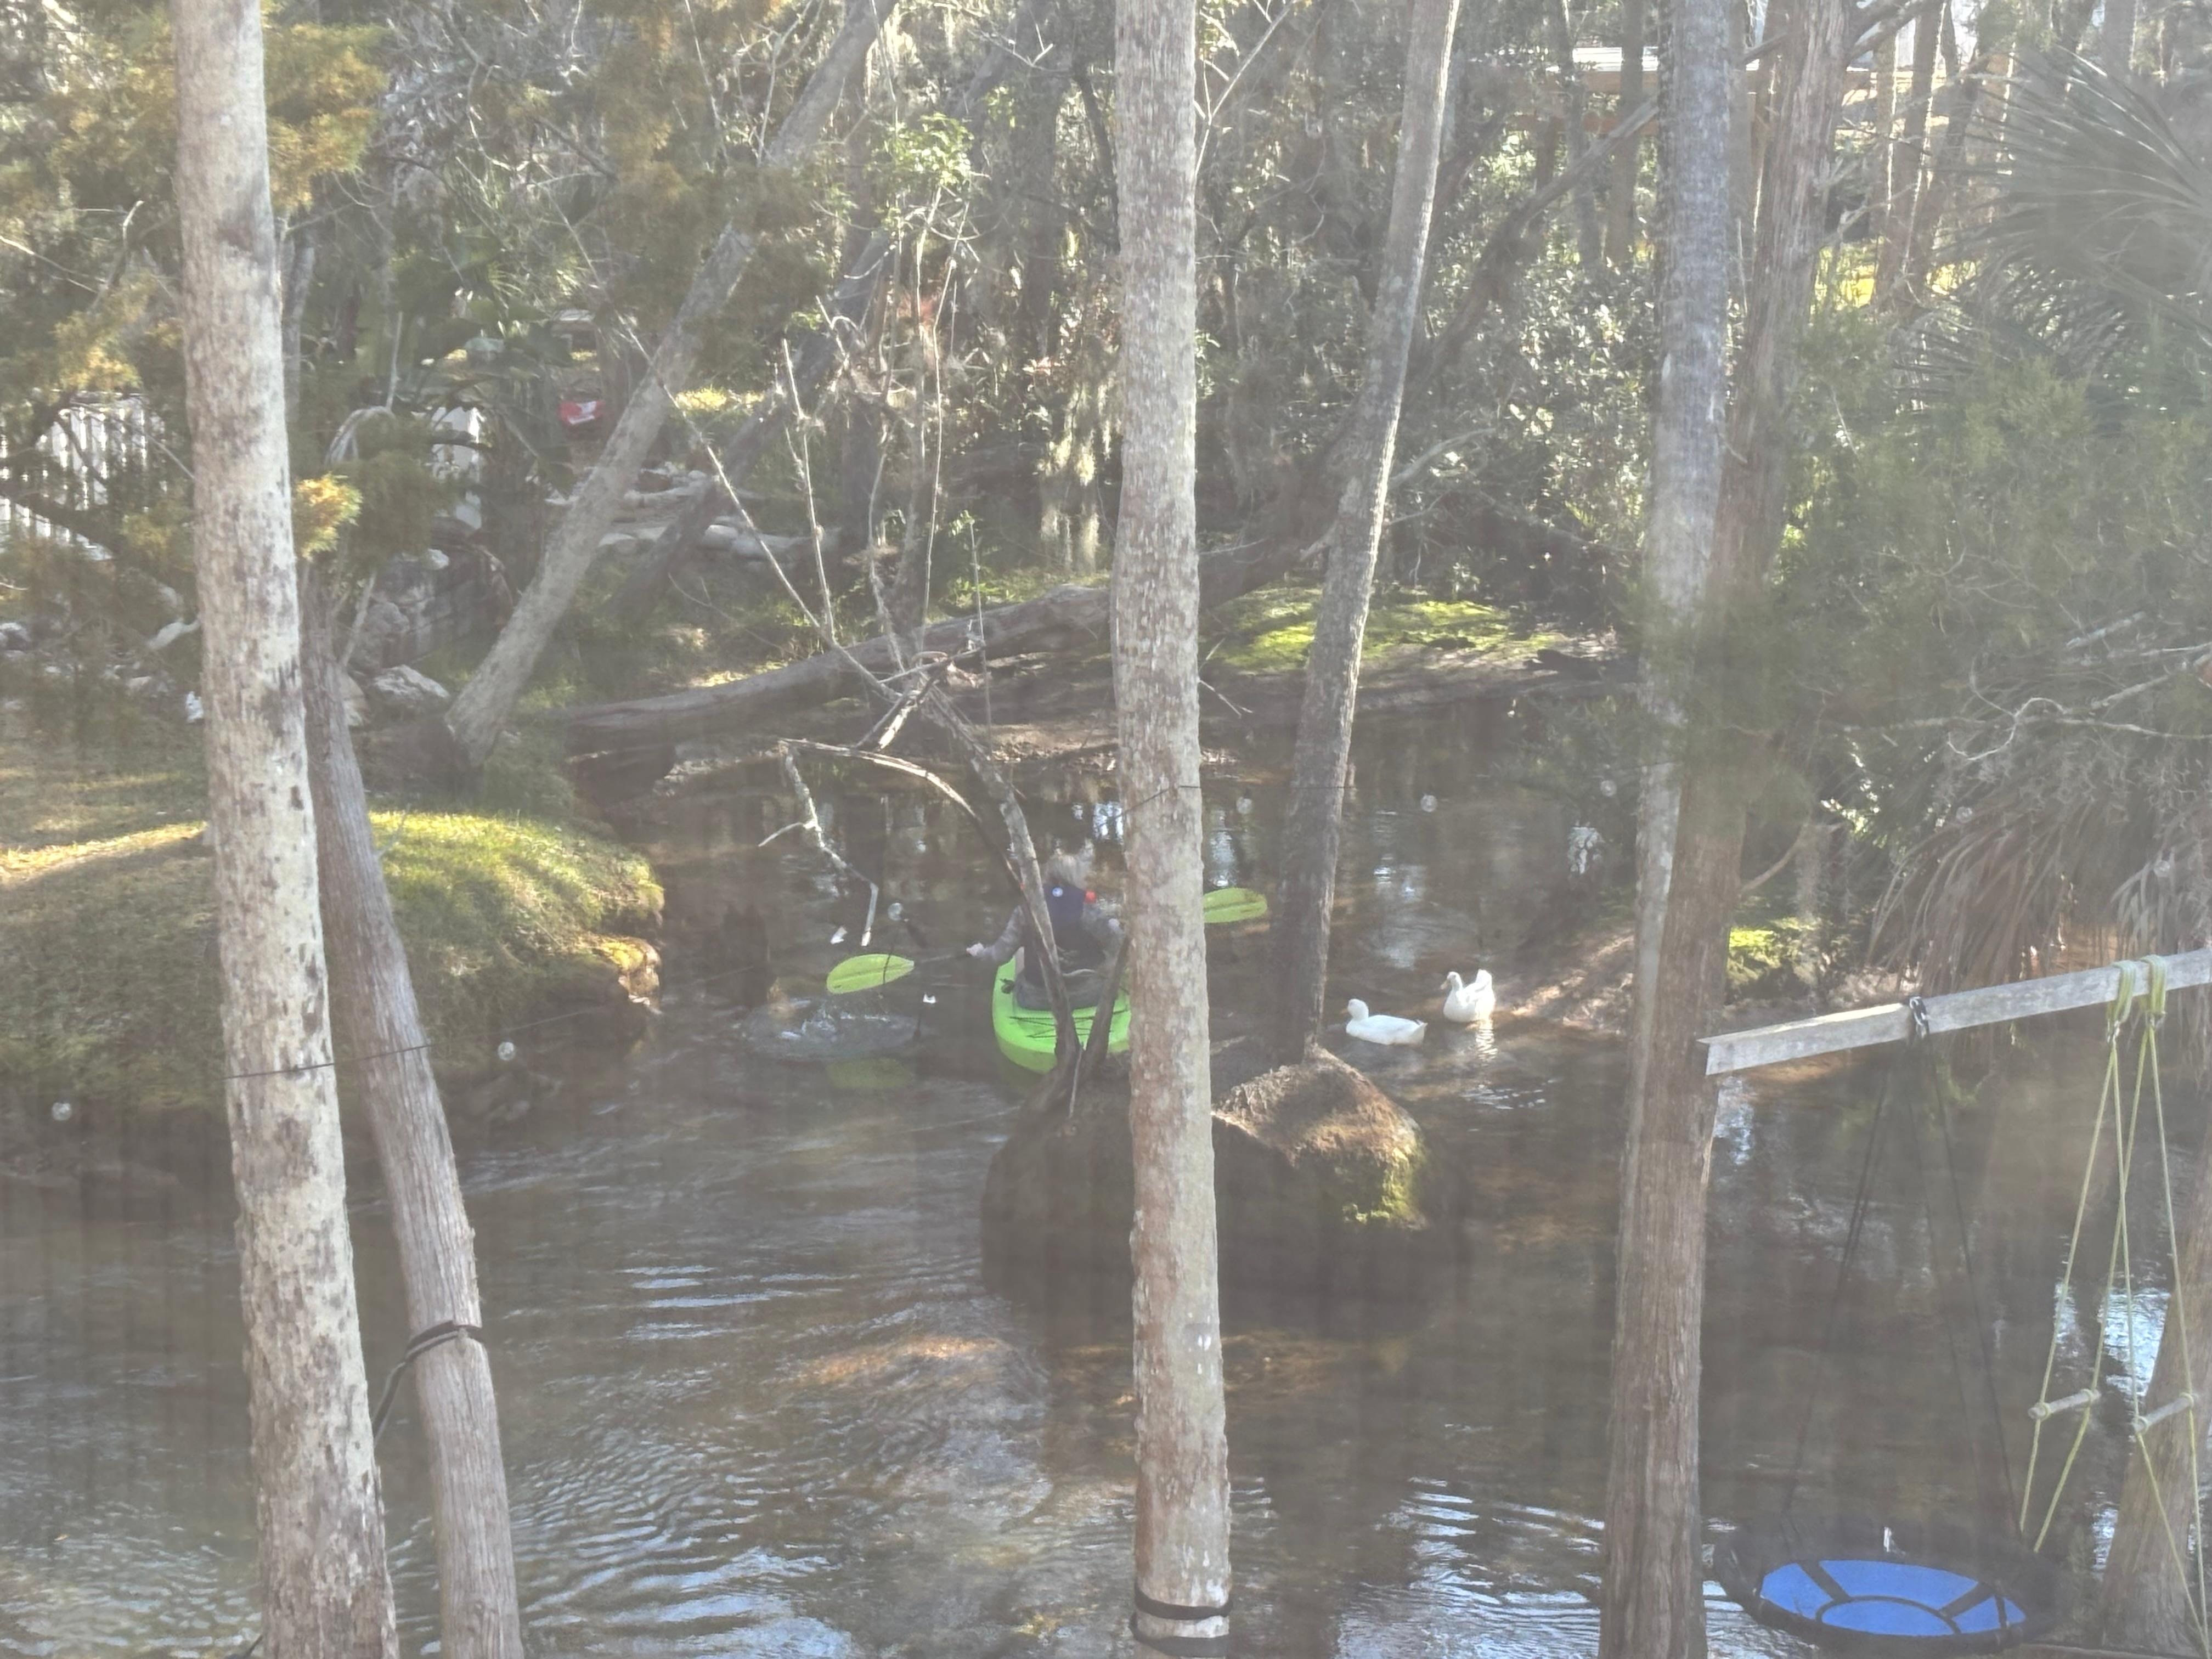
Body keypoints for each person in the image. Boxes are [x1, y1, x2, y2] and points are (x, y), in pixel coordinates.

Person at [967, 847, 1121, 1008]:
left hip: (1037, 1000)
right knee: (1111, 933)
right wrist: (1115, 926)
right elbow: (1118, 947)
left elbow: (999, 956)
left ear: (1047, 877)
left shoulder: (1025, 911)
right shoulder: (1089, 911)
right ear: (1075, 878)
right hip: (1090, 996)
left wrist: (979, 952)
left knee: (1020, 953)